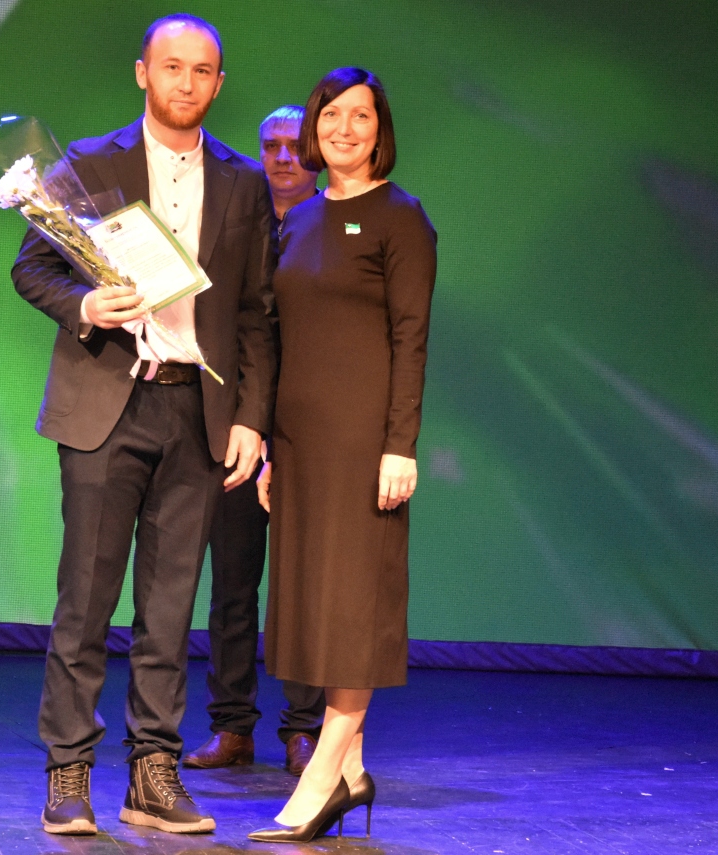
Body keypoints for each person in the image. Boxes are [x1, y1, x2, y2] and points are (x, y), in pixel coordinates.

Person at [10, 13, 275, 837]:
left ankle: (154, 773)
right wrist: (88, 303)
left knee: (169, 608)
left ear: (219, 84)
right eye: (171, 66)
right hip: (106, 401)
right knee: (86, 600)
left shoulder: (243, 182)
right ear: (142, 73)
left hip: (197, 410)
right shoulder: (92, 163)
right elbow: (31, 266)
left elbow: (257, 313)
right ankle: (69, 770)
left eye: (202, 70)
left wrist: (251, 419)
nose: (185, 82)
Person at [249, 68, 437, 843]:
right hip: (300, 445)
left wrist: (400, 445)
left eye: (361, 116)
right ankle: (354, 771)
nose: (345, 129)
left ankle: (323, 773)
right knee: (316, 606)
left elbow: (410, 339)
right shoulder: (297, 218)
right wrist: (268, 448)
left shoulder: (402, 218)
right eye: (332, 115)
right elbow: (277, 337)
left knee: (355, 606)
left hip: (365, 445)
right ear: (313, 128)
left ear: (379, 128)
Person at [184, 105, 324, 778]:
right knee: (233, 584)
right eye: (271, 145)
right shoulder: (237, 219)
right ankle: (232, 725)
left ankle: (304, 728)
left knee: (303, 587)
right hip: (238, 427)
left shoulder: (331, 227)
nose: (283, 157)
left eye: (295, 146)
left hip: (309, 433)